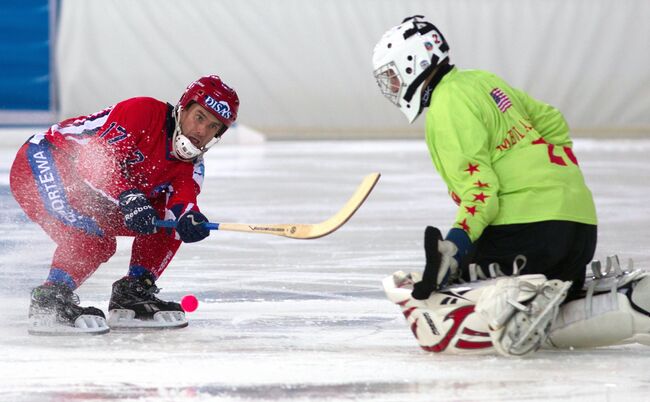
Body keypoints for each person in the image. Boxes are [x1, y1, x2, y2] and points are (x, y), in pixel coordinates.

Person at [373, 16, 650, 356]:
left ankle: (516, 296)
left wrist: (456, 246)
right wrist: (556, 174)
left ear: (414, 62)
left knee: (449, 291)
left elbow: (480, 190)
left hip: (531, 231)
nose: (392, 85)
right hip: (579, 226)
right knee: (555, 301)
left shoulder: (446, 104)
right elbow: (551, 119)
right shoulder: (482, 81)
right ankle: (630, 305)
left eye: (392, 75)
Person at [10, 75, 239, 335]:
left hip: (93, 191)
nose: (202, 132)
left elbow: (182, 203)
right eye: (199, 117)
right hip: (43, 161)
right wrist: (130, 197)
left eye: (213, 127)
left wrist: (191, 220)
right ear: (183, 108)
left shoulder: (192, 165)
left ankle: (133, 291)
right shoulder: (143, 111)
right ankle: (49, 300)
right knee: (95, 240)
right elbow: (91, 161)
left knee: (173, 222)